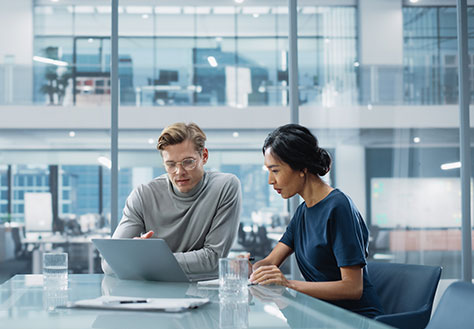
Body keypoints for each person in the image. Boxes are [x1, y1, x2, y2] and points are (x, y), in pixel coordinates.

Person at [249, 124, 383, 318]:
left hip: (355, 320)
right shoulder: (303, 212)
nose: (270, 180)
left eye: (275, 170)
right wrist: (252, 268)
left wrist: (288, 284)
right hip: (322, 314)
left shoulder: (338, 207)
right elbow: (271, 261)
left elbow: (353, 288)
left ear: (302, 168)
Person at [102, 122, 242, 278]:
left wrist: (144, 260)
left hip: (204, 291)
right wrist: (138, 253)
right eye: (170, 164)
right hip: (152, 295)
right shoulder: (143, 195)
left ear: (204, 156)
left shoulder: (225, 186)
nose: (179, 172)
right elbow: (109, 263)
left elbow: (212, 259)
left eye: (188, 162)